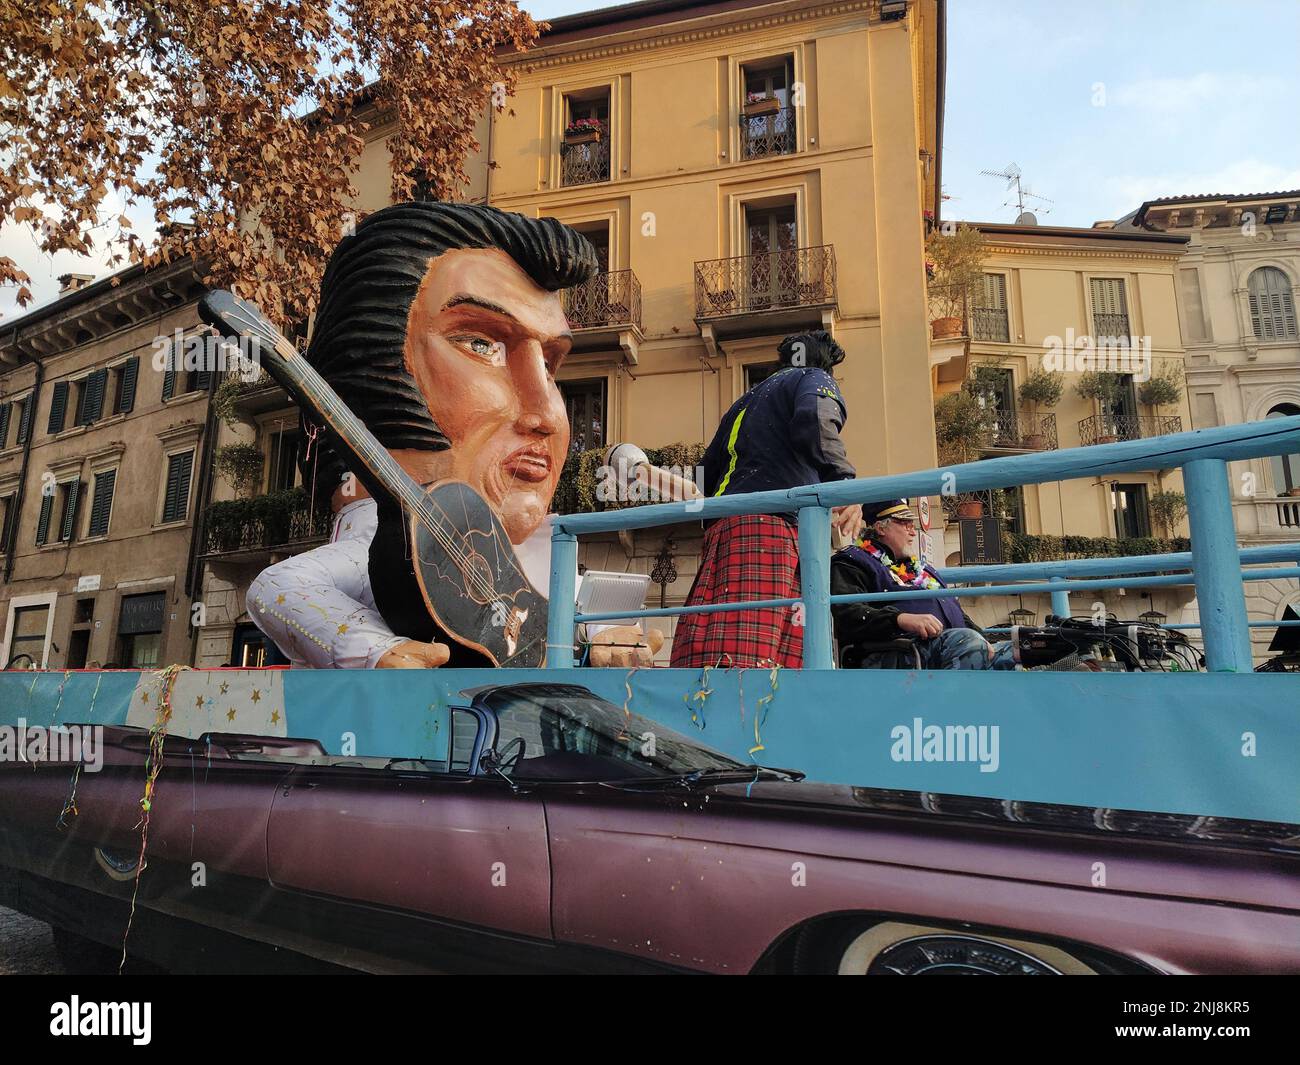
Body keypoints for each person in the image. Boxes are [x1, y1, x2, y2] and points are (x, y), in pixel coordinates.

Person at [246, 201, 652, 669]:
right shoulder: (382, 544)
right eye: (482, 344)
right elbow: (280, 588)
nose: (547, 415)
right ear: (368, 370)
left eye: (549, 363)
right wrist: (376, 650)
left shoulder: (531, 557)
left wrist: (615, 635)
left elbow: (581, 613)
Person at [670, 330, 862, 670]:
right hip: (770, 531)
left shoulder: (743, 402)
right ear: (826, 366)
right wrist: (844, 483)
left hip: (724, 531)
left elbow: (703, 474)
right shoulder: (813, 377)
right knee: (763, 662)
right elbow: (814, 422)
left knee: (717, 647)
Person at [831, 499, 1016, 670]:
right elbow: (847, 613)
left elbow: (958, 613)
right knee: (969, 643)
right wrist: (900, 619)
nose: (913, 531)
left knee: (1019, 651)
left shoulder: (922, 569)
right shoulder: (853, 561)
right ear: (881, 528)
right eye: (906, 524)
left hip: (948, 646)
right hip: (896, 651)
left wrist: (984, 638)